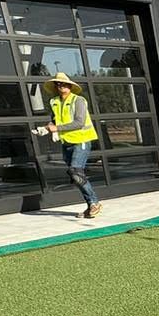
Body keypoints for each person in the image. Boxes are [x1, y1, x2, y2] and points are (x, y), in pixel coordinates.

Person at [34, 72, 102, 218]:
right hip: (67, 142)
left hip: (81, 140)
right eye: (58, 84)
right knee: (76, 175)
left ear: (70, 86)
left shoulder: (78, 100)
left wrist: (57, 128)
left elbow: (79, 122)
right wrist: (46, 129)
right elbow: (54, 121)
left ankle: (94, 203)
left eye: (64, 84)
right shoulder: (54, 102)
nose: (61, 86)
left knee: (76, 173)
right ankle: (91, 205)